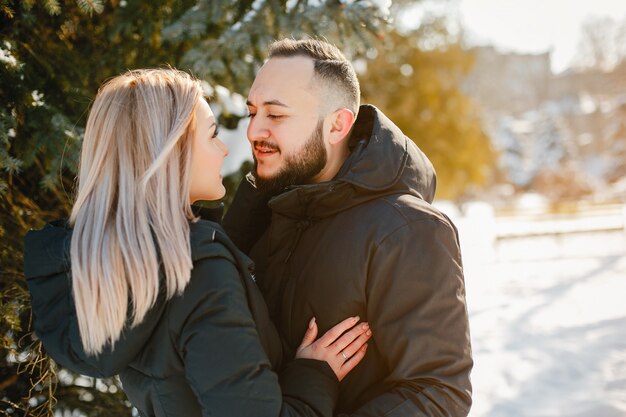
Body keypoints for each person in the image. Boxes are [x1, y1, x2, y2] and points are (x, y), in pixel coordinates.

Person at [23, 68, 373, 417]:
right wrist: (314, 375)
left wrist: (263, 189)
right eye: (212, 135)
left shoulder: (120, 260)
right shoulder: (197, 270)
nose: (224, 149)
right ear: (172, 152)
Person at [223, 38, 473, 416]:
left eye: (275, 115)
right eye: (253, 112)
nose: (254, 131)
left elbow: (438, 392)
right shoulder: (267, 207)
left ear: (337, 125)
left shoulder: (407, 230)